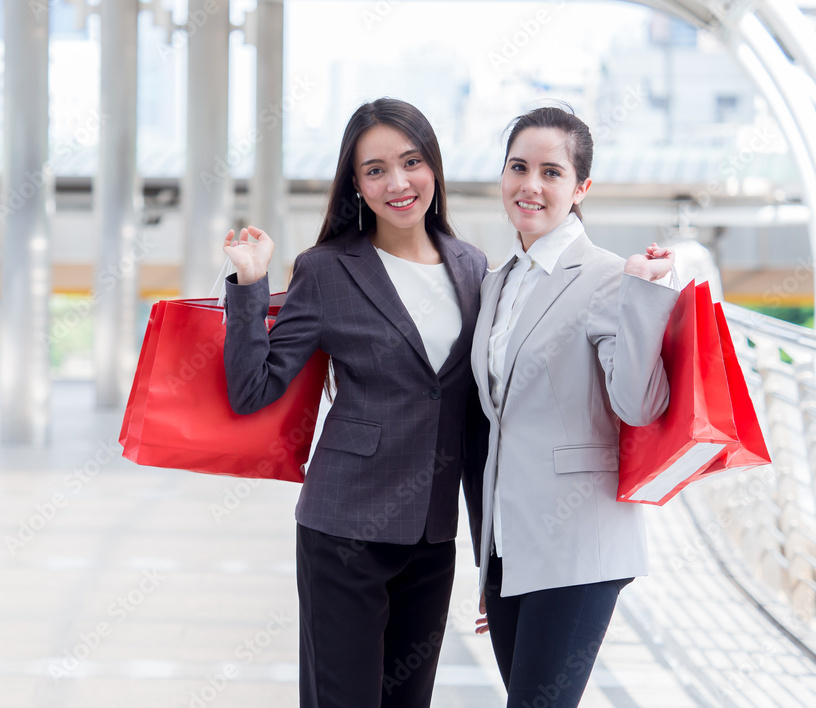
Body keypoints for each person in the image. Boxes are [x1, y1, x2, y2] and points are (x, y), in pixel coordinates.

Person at [221, 98, 488, 708]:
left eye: (411, 161)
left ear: (434, 168)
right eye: (375, 170)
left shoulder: (473, 268)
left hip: (431, 535)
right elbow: (251, 390)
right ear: (356, 186)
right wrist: (250, 284)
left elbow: (478, 417)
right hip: (343, 531)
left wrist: (491, 550)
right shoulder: (326, 270)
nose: (398, 183)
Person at [464, 105, 679, 707]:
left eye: (551, 173)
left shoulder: (611, 277)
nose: (530, 185)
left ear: (581, 188)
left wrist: (645, 292)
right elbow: (495, 427)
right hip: (512, 549)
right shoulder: (496, 281)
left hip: (581, 544)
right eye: (518, 167)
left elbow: (638, 406)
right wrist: (489, 564)